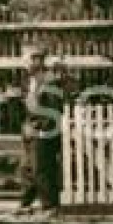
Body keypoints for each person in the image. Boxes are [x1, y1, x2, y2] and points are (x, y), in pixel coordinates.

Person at [16, 45, 66, 215]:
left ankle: (50, 205)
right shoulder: (28, 81)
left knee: (42, 169)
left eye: (28, 58)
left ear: (38, 60)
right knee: (27, 168)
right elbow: (27, 106)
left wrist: (40, 127)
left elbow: (54, 110)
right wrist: (26, 124)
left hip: (44, 132)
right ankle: (26, 203)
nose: (25, 62)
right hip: (30, 130)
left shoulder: (49, 81)